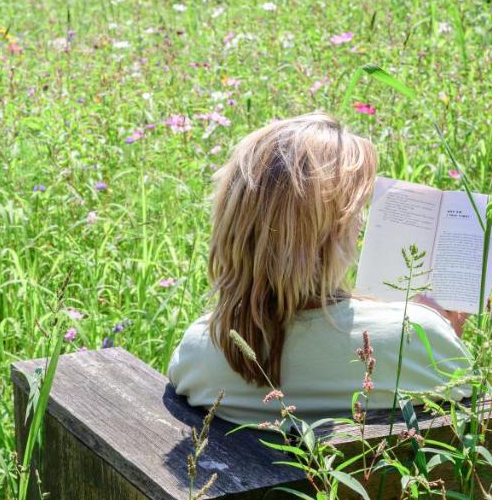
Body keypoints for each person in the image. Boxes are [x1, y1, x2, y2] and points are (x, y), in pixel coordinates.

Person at [167, 112, 473, 429]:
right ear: (332, 234)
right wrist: (444, 331)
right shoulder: (419, 337)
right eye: (356, 213)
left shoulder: (200, 351)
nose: (361, 224)